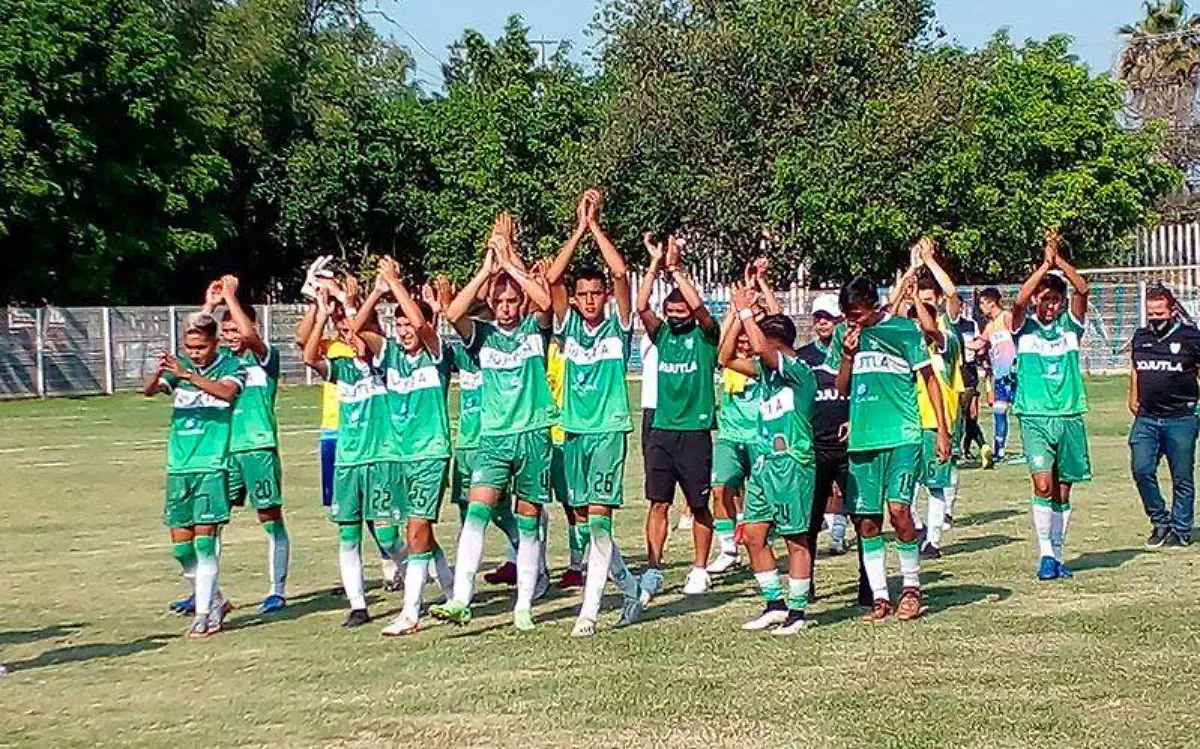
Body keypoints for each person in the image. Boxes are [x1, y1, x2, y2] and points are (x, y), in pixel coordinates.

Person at [432, 213, 556, 631]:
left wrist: (513, 265)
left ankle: (524, 604)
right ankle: (461, 600)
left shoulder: (536, 332)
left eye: (510, 302)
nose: (504, 308)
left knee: (528, 518)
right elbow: (453, 312)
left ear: (519, 303)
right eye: (499, 302)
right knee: (477, 514)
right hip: (495, 439)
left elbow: (545, 301)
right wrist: (489, 266)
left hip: (534, 435)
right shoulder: (482, 336)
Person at [545, 189, 644, 635]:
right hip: (574, 432)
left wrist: (597, 226)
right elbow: (552, 277)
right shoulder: (567, 328)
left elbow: (622, 272)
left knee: (600, 519)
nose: (587, 299)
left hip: (608, 431)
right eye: (582, 293)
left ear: (604, 297)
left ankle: (588, 612)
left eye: (594, 293)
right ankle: (629, 584)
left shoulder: (617, 329)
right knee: (586, 526)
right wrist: (578, 227)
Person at [829, 274, 950, 621]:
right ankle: (880, 597)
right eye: (847, 314)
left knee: (899, 511)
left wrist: (941, 431)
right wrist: (849, 356)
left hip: (903, 435)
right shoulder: (844, 336)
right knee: (867, 521)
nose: (852, 320)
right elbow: (841, 389)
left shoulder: (903, 331)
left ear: (874, 305)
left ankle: (912, 588)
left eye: (857, 313)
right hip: (863, 440)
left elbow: (930, 380)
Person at [350, 259, 456, 636]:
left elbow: (426, 325)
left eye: (408, 323)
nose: (405, 330)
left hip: (430, 453)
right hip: (398, 456)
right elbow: (358, 328)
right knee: (410, 532)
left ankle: (411, 613)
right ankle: (452, 589)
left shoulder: (435, 352)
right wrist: (378, 291)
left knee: (416, 529)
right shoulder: (389, 354)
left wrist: (395, 283)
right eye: (399, 324)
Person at [302, 287, 404, 627]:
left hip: (380, 462)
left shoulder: (387, 367)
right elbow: (309, 356)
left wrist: (364, 299)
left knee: (388, 536)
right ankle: (358, 605)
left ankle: (413, 570)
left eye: (356, 332)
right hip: (348, 463)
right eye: (345, 333)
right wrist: (320, 312)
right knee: (348, 535)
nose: (350, 338)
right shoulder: (342, 368)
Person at [720, 286, 818, 634]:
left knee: (795, 540)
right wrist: (735, 315)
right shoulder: (763, 374)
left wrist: (747, 313)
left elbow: (759, 346)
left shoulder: (799, 372)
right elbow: (725, 357)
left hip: (792, 463)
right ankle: (774, 604)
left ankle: (797, 612)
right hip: (763, 466)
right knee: (754, 535)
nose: (755, 350)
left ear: (779, 344)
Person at [144, 313, 246, 639]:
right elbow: (149, 392)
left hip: (211, 467)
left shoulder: (232, 367)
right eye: (189, 347)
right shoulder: (180, 370)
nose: (194, 352)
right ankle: (215, 598)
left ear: (214, 343)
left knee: (205, 543)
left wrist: (188, 374)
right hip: (179, 468)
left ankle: (205, 614)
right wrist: (159, 372)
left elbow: (227, 394)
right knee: (181, 550)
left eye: (200, 347)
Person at [635, 235, 721, 601]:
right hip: (662, 431)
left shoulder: (706, 336)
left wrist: (676, 271)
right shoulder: (663, 335)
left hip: (695, 431)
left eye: (680, 307)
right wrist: (654, 266)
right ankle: (654, 569)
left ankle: (700, 569)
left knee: (699, 505)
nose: (675, 313)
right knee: (658, 503)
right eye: (670, 309)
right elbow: (641, 307)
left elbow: (701, 308)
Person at [1010, 228, 1091, 580]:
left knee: (1062, 488)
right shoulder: (1023, 328)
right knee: (1042, 485)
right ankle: (1044, 555)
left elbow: (1083, 290)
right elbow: (1017, 301)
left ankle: (1058, 555)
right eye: (1044, 300)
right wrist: (1044, 267)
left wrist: (1059, 263)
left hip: (1070, 414)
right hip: (1035, 417)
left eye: (1055, 301)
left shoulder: (1071, 328)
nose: (1050, 306)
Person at [208, 276, 290, 614]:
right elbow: (193, 345)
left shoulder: (265, 358)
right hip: (225, 451)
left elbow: (252, 337)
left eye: (234, 328)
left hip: (258, 448)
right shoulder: (222, 364)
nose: (229, 335)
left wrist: (231, 298)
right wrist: (211, 307)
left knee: (270, 517)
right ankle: (210, 592)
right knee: (209, 522)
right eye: (224, 330)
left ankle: (277, 590)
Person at [709, 259, 779, 574]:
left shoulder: (765, 362)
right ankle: (727, 549)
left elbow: (778, 321)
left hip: (761, 437)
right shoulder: (731, 360)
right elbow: (724, 338)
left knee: (765, 497)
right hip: (730, 436)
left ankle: (763, 541)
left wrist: (760, 287)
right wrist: (738, 308)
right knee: (721, 488)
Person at [797, 293, 865, 602]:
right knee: (809, 521)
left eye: (829, 317)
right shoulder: (803, 357)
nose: (822, 322)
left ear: (840, 321)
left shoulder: (857, 352)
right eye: (818, 317)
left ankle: (869, 583)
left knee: (862, 516)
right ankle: (804, 582)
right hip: (815, 447)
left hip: (850, 447)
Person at [1129, 284, 1200, 549]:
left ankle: (1180, 530)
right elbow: (1136, 367)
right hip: (1147, 417)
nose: (1155, 318)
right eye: (1151, 313)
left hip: (1181, 417)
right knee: (1141, 469)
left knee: (1182, 476)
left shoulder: (1191, 337)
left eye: (1160, 312)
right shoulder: (1141, 336)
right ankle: (1160, 521)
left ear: (1172, 310)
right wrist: (1132, 396)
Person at [979, 286, 1017, 467]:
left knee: (1022, 413)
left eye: (982, 303)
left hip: (1014, 373)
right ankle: (999, 451)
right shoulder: (990, 326)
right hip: (1000, 376)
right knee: (999, 412)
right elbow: (980, 343)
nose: (980, 307)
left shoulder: (1007, 318)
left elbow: (1018, 336)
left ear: (991, 302)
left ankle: (1030, 449)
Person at [956, 299, 988, 467]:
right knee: (959, 416)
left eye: (960, 305)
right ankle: (963, 449)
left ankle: (969, 449)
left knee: (972, 414)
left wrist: (980, 352)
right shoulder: (946, 324)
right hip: (956, 371)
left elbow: (979, 345)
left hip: (970, 372)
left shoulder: (970, 324)